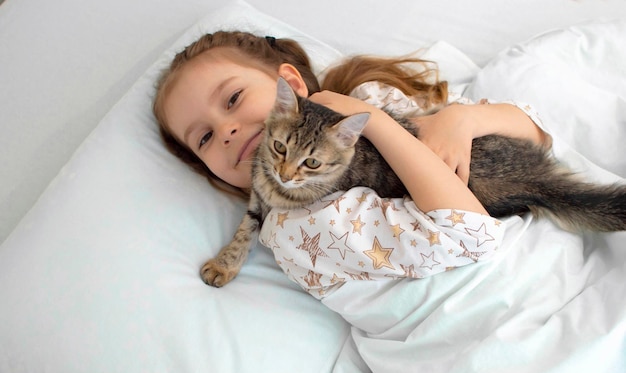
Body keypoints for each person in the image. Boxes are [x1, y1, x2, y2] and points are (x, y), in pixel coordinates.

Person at [152, 30, 550, 298]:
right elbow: (471, 237)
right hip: (500, 306)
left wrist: (464, 119)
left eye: (233, 98)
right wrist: (377, 126)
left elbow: (539, 137)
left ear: (289, 86)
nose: (227, 130)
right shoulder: (298, 225)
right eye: (204, 138)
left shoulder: (371, 96)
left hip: (551, 257)